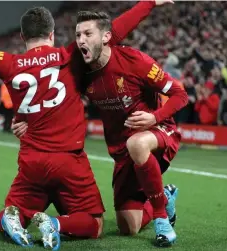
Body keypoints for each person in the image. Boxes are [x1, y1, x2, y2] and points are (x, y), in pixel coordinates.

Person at [0, 1, 171, 249]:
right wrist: (148, 3)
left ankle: (12, 217)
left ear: (22, 37)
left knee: (17, 209)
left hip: (31, 162)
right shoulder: (69, 57)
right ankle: (55, 224)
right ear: (52, 34)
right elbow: (114, 32)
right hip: (68, 162)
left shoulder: (10, 64)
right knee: (94, 224)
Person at [13, 8, 187, 247]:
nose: (81, 40)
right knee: (128, 226)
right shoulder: (82, 73)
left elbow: (180, 94)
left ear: (106, 37)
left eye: (87, 33)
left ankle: (162, 220)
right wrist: (23, 121)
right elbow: (48, 97)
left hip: (157, 131)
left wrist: (155, 118)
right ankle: (164, 196)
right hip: (121, 149)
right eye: (77, 35)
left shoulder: (135, 62)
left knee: (136, 143)